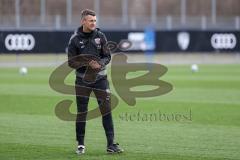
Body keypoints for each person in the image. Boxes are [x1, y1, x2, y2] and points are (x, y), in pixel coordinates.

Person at [67, 9, 123, 155]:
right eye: (91, 20)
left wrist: (100, 64)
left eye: (95, 20)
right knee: (82, 113)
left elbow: (107, 56)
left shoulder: (100, 36)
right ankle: (80, 144)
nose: (94, 23)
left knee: (106, 111)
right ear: (83, 21)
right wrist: (87, 63)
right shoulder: (74, 39)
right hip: (82, 81)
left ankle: (111, 144)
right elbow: (71, 62)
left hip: (101, 80)